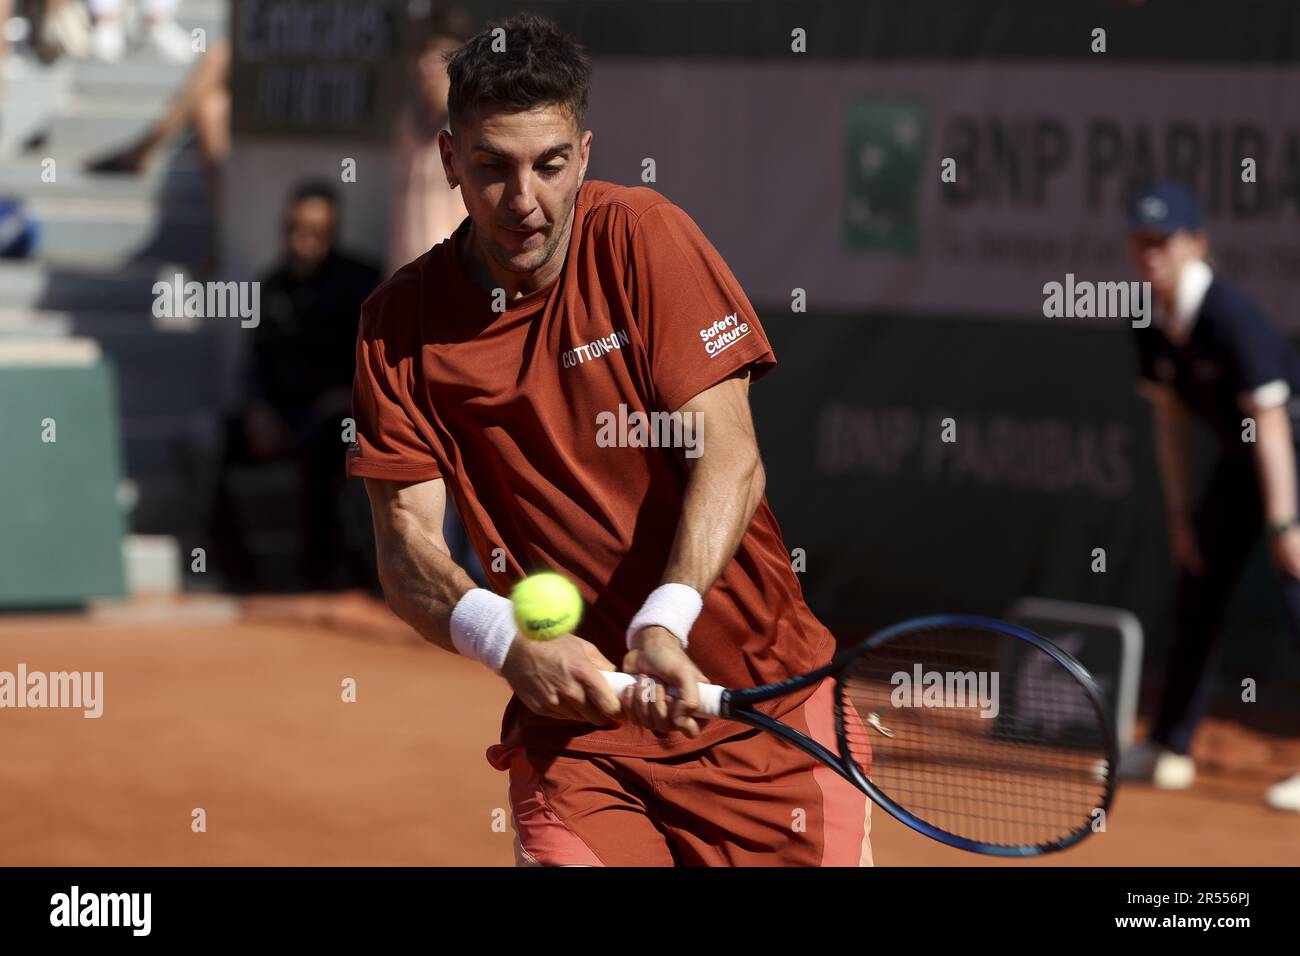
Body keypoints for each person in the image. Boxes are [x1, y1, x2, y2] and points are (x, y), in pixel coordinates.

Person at [348, 13, 872, 866]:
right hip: (580, 739)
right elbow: (405, 552)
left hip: (763, 713)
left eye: (550, 166)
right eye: (492, 167)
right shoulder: (395, 325)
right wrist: (511, 643)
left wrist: (663, 624)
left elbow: (730, 458)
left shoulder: (643, 236)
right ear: (450, 160)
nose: (525, 201)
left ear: (584, 154)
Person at [1121, 181, 1300, 813]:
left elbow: (1274, 424)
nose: (1150, 255)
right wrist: (1180, 514)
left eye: (1163, 242)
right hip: (1238, 461)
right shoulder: (1149, 318)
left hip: (1288, 454)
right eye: (1141, 242)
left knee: (1297, 590)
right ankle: (1169, 746)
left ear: (1196, 243)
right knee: (1198, 583)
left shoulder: (1230, 317)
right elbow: (1169, 418)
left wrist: (1285, 525)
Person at [210, 181, 380, 592]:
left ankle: (323, 575)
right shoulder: (269, 287)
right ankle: (241, 575)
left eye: (314, 231)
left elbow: (378, 359)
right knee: (209, 442)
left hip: (338, 416)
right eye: (293, 228)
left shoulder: (362, 281)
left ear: (332, 232)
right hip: (279, 414)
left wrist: (349, 396)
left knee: (327, 447)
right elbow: (253, 364)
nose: (301, 240)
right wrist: (258, 411)